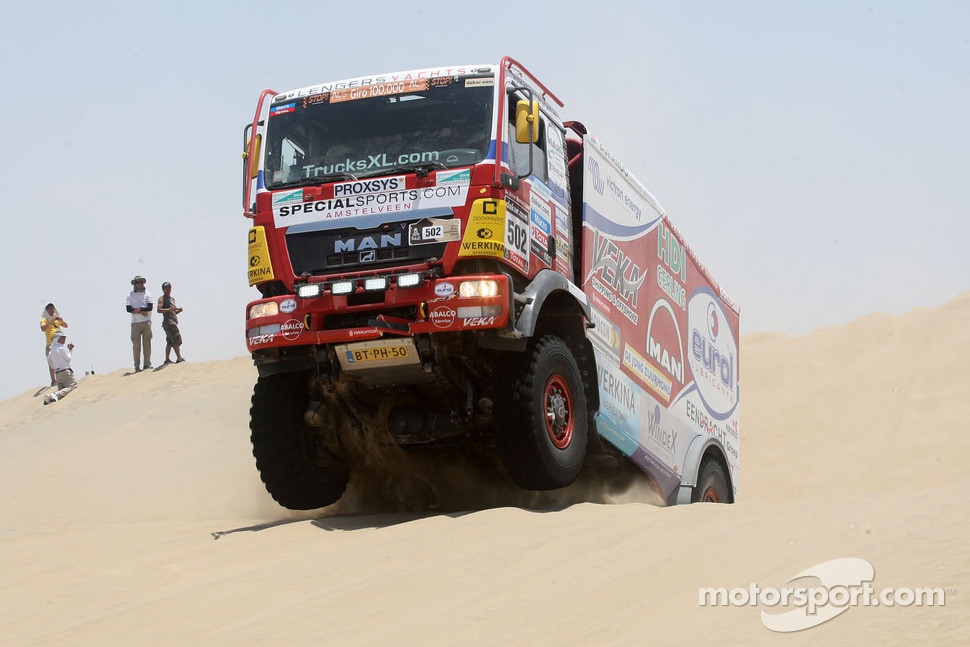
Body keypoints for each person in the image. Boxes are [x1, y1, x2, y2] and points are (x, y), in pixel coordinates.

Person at [126, 275, 154, 372]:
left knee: (147, 344)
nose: (139, 284)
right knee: (136, 345)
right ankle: (137, 366)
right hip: (135, 323)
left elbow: (150, 307)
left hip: (146, 322)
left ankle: (147, 364)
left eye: (140, 282)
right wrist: (140, 311)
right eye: (137, 282)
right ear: (135, 284)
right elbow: (128, 309)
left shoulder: (148, 294)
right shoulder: (130, 295)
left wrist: (140, 309)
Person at [44, 331, 77, 405]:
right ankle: (55, 395)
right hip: (65, 372)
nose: (64, 340)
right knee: (73, 385)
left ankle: (50, 397)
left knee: (61, 391)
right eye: (63, 338)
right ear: (58, 338)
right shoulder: (60, 348)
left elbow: (51, 365)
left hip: (57, 374)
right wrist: (70, 350)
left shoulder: (50, 351)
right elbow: (68, 359)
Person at [39, 303, 68, 386]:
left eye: (53, 309)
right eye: (50, 309)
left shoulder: (57, 318)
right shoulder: (44, 319)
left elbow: (66, 326)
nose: (52, 311)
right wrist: (50, 320)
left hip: (59, 344)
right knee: (51, 363)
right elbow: (43, 328)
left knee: (62, 360)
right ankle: (53, 380)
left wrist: (61, 320)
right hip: (50, 344)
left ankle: (64, 378)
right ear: (47, 310)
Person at [157, 281, 186, 364]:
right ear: (163, 289)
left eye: (169, 287)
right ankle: (179, 358)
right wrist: (170, 309)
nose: (168, 289)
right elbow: (159, 310)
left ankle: (167, 359)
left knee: (169, 341)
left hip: (172, 321)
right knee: (176, 339)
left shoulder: (172, 299)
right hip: (168, 323)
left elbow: (172, 312)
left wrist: (178, 311)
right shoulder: (161, 299)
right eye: (166, 288)